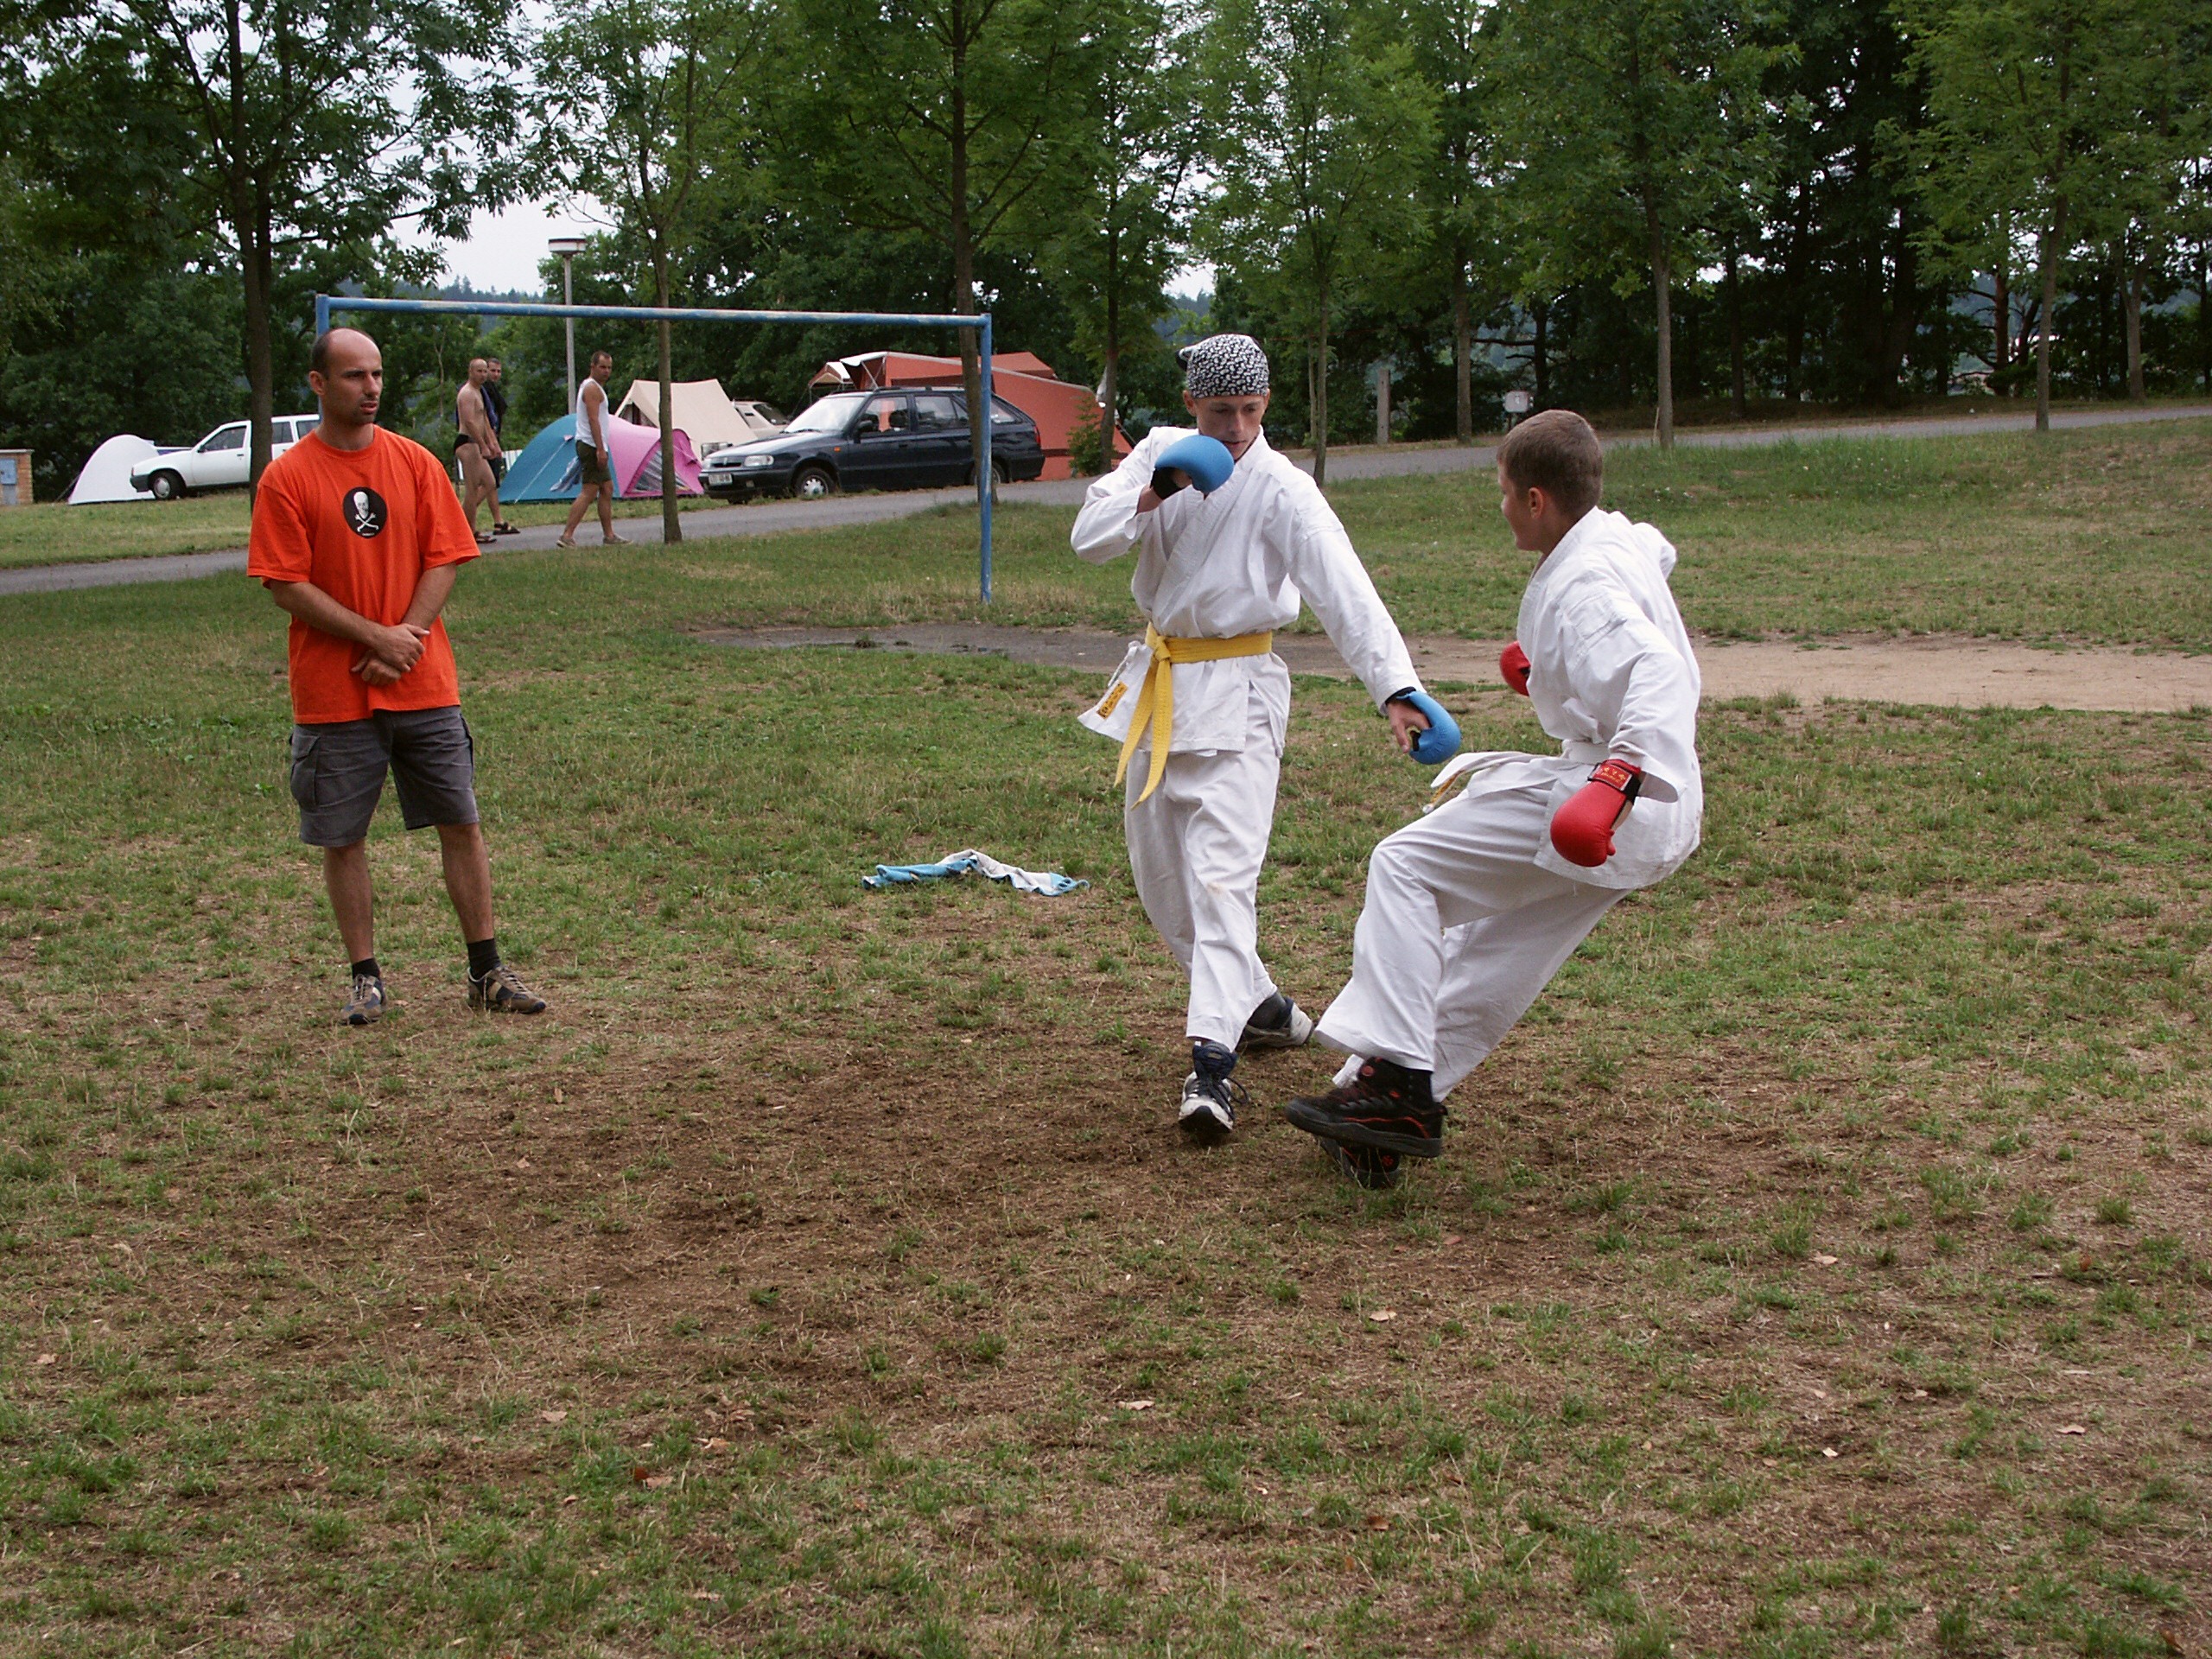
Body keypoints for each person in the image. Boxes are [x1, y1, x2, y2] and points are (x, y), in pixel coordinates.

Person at [1281, 410, 1702, 1188]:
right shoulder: (1611, 538)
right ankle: (1380, 1110)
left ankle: (1399, 1088)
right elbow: (1656, 552)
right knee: (1493, 952)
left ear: (1536, 499)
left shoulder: (1584, 588)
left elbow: (1658, 672)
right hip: (1649, 818)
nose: (1501, 506)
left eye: (1506, 492)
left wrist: (1616, 776)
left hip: (1611, 795)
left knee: (1404, 866)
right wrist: (1551, 668)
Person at [1071, 333, 1438, 1147]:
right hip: (1162, 687)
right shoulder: (1160, 455)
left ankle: (1211, 1068)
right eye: (1218, 412)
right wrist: (1157, 490)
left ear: (1266, 404)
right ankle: (1262, 1006)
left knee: (1221, 880)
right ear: (1191, 405)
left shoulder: (1281, 488)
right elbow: (1088, 537)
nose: (1234, 428)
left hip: (1241, 692)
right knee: (1164, 883)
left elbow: (1344, 589)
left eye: (1248, 410)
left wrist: (1396, 688)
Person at [248, 326, 550, 1027]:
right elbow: (285, 583)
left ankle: (486, 971)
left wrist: (404, 638)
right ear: (319, 383)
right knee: (342, 837)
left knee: (461, 822)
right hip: (334, 693)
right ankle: (366, 979)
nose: (372, 387)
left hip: (423, 684)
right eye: (355, 375)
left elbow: (446, 555)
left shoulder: (413, 463)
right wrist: (373, 636)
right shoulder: (287, 477)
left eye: (377, 374)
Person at [557, 349, 626, 549]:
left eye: (609, 368)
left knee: (607, 488)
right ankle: (567, 535)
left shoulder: (595, 388)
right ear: (593, 367)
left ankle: (609, 535)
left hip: (593, 444)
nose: (606, 371)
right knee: (589, 490)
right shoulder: (592, 388)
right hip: (590, 444)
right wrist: (600, 449)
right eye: (602, 367)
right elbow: (593, 419)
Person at [454, 358, 505, 544]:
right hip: (467, 443)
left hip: (477, 444)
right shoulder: (467, 393)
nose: (483, 375)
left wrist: (493, 443)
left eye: (485, 371)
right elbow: (469, 421)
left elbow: (484, 420)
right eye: (479, 371)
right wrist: (483, 445)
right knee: (472, 488)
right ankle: (469, 531)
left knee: (490, 483)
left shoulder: (479, 392)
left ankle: (459, 521)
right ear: (471, 372)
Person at [483, 358, 518, 536]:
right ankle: (463, 515)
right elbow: (484, 419)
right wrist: (491, 442)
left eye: (498, 371)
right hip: (486, 441)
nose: (495, 374)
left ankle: (498, 521)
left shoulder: (492, 391)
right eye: (492, 371)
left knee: (491, 483)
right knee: (487, 483)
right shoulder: (483, 391)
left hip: (493, 438)